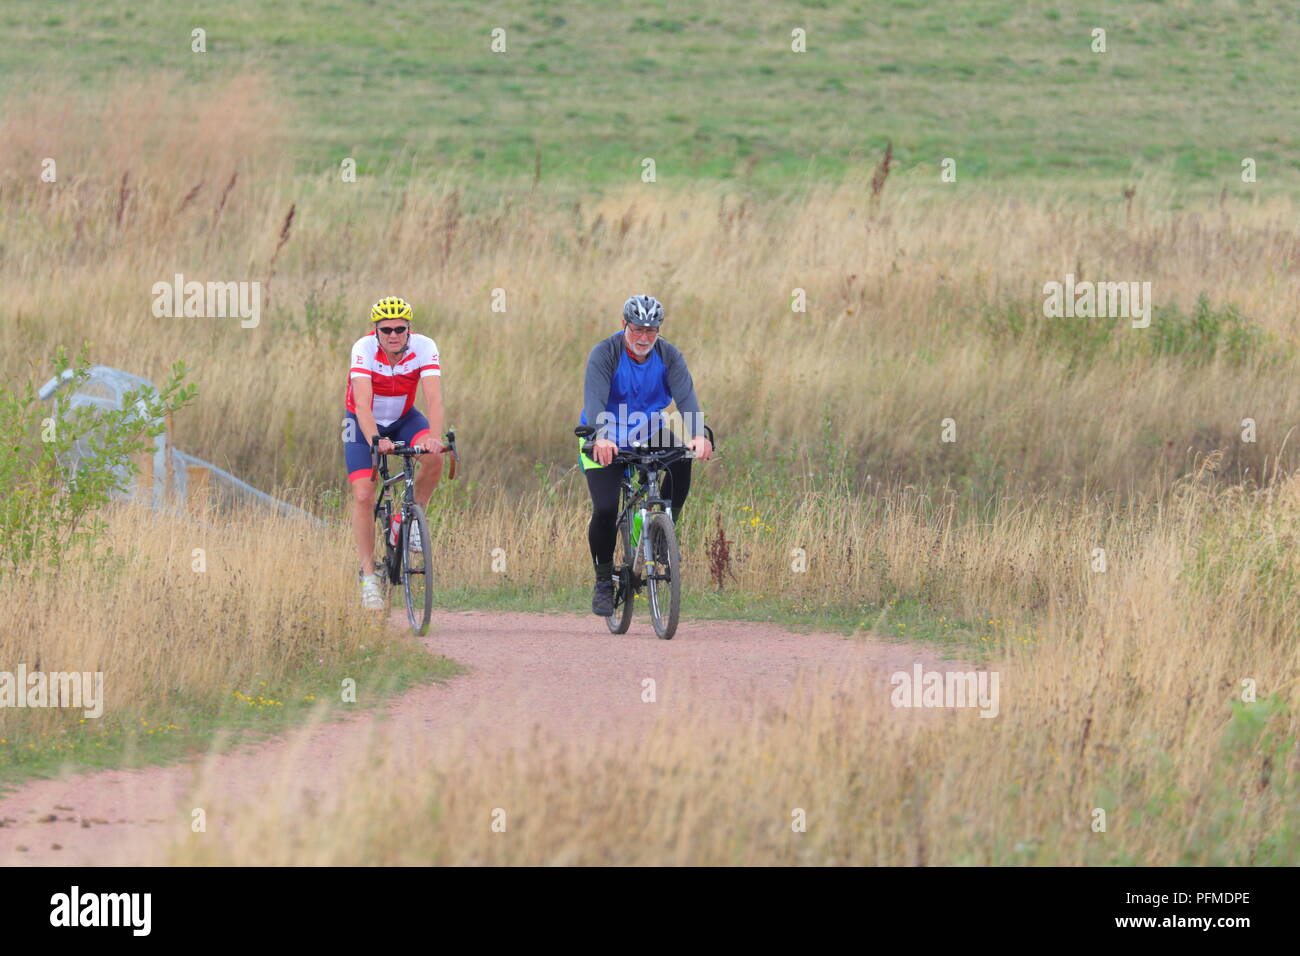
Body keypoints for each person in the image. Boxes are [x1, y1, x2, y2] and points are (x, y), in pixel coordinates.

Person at [579, 294, 712, 616]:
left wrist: (697, 435)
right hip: (605, 431)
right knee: (606, 507)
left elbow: (686, 397)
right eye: (637, 329)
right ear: (624, 325)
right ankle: (602, 580)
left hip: (647, 428)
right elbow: (594, 398)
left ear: (659, 331)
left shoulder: (669, 355)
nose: (643, 338)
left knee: (681, 460)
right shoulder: (605, 353)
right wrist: (601, 438)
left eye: (651, 331)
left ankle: (663, 529)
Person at [343, 296, 446, 610]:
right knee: (363, 494)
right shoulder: (363, 350)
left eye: (400, 328)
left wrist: (435, 438)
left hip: (404, 418)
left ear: (409, 329)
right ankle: (369, 577)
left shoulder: (424, 347)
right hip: (362, 424)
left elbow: (435, 400)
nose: (393, 335)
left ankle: (410, 520)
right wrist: (376, 438)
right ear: (375, 330)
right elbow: (362, 404)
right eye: (386, 329)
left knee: (435, 457)